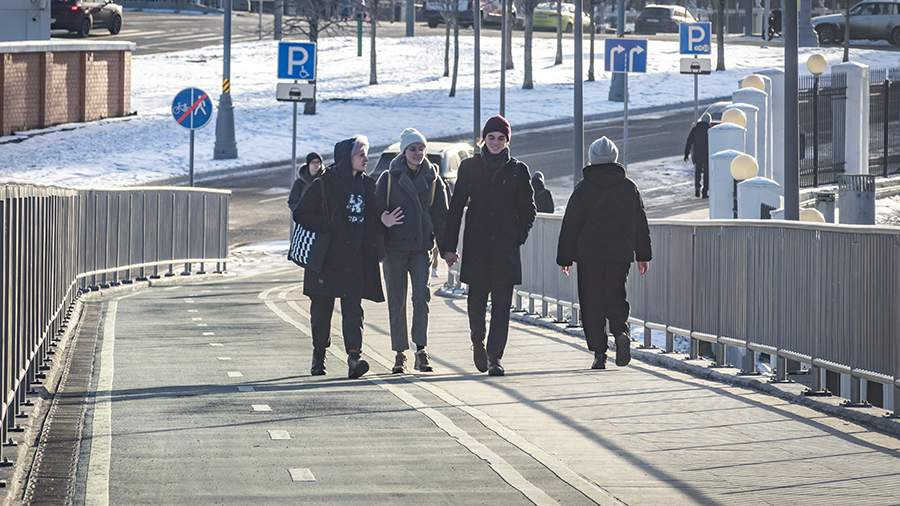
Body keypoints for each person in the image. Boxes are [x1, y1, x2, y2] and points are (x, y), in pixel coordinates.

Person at [443, 115, 536, 377]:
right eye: (491, 137)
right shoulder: (470, 167)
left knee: (502, 307)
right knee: (476, 302)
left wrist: (517, 236)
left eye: (501, 138)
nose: (495, 142)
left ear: (507, 141)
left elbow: (528, 210)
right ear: (483, 139)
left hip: (505, 249)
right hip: (478, 247)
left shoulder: (518, 170)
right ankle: (477, 341)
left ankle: (495, 357)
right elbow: (456, 208)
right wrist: (449, 247)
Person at [556, 137, 652, 370]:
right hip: (619, 254)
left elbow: (571, 225)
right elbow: (640, 222)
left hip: (589, 255)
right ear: (614, 158)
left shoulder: (583, 188)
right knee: (616, 294)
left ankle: (600, 353)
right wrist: (643, 254)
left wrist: (565, 257)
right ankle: (620, 331)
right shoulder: (628, 187)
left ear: (592, 159)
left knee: (591, 302)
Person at [294, 136, 385, 379]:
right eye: (361, 155)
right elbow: (300, 213)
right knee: (321, 310)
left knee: (353, 310)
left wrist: (382, 225)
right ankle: (319, 354)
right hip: (326, 259)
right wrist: (328, 225)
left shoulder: (367, 185)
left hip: (355, 259)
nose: (366, 159)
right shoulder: (325, 184)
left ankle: (354, 359)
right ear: (347, 158)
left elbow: (372, 220)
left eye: (366, 154)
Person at [376, 128, 450, 374]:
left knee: (421, 297)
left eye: (421, 148)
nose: (418, 153)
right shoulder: (388, 178)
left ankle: (421, 349)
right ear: (403, 151)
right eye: (412, 149)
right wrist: (383, 219)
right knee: (396, 300)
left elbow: (441, 218)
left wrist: (447, 251)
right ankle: (399, 353)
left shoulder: (433, 178)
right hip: (394, 249)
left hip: (420, 249)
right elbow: (375, 210)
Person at [684, 113, 711, 199]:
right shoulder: (709, 130)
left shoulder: (695, 129)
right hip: (706, 155)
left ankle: (697, 189)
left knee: (698, 172)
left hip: (697, 155)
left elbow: (689, 141)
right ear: (708, 121)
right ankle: (704, 191)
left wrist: (686, 154)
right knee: (706, 174)